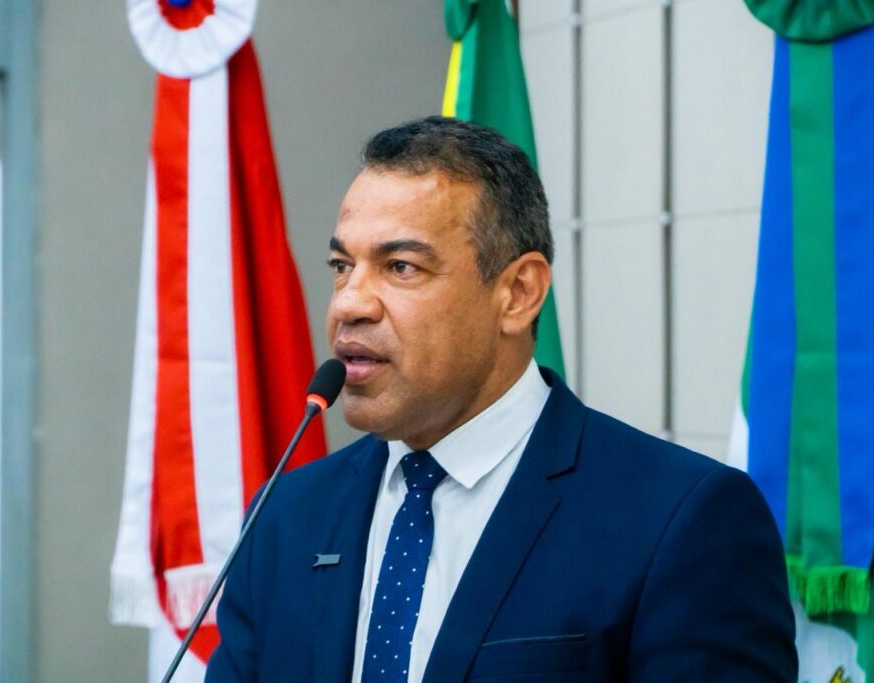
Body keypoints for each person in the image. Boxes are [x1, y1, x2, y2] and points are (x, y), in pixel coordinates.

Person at [205, 116, 797, 682]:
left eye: (401, 266)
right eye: (342, 265)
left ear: (518, 293)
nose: (347, 304)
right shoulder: (285, 515)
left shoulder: (681, 520)